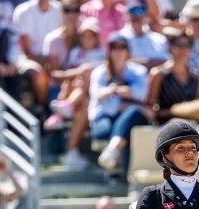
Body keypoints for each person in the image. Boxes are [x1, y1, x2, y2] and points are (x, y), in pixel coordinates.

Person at [44, 16, 105, 168]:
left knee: (83, 85)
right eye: (84, 35)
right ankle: (65, 110)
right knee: (77, 86)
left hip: (94, 92)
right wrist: (80, 72)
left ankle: (61, 111)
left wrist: (86, 75)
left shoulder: (102, 53)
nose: (87, 38)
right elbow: (67, 74)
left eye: (91, 35)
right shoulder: (76, 52)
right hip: (80, 93)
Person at [90, 32, 151, 171]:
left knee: (132, 117)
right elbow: (103, 102)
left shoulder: (137, 71)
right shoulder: (100, 72)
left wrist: (112, 90)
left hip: (128, 117)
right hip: (103, 118)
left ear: (128, 50)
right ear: (108, 50)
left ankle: (112, 153)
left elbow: (141, 94)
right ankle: (125, 177)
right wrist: (127, 97)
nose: (118, 51)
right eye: (114, 47)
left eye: (122, 47)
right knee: (121, 129)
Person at [147, 28, 199, 123]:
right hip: (165, 126)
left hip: (191, 127)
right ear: (170, 47)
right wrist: (174, 111)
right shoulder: (158, 74)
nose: (183, 49)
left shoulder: (195, 76)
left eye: (187, 46)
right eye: (179, 45)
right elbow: (150, 107)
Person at [13, 0, 63, 106]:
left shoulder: (58, 9)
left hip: (51, 58)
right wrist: (44, 62)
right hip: (26, 59)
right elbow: (26, 51)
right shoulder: (23, 11)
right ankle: (44, 108)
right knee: (39, 75)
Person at [121, 0, 168, 67]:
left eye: (140, 11)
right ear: (127, 15)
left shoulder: (160, 39)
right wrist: (152, 63)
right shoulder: (120, 38)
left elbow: (166, 61)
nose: (136, 15)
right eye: (132, 11)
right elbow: (119, 63)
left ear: (146, 14)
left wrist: (134, 62)